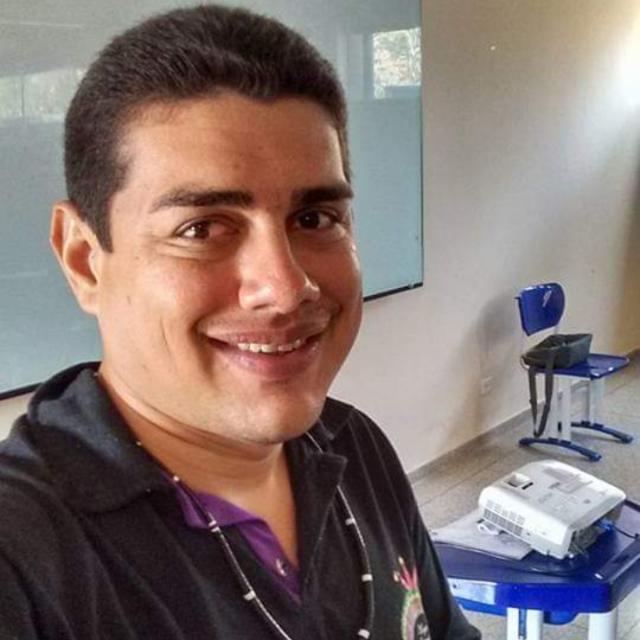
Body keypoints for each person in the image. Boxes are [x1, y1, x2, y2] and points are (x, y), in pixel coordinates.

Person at [0, 5, 480, 639]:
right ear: (85, 261)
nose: (285, 288)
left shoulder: (352, 444)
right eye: (201, 229)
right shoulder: (24, 557)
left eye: (314, 219)